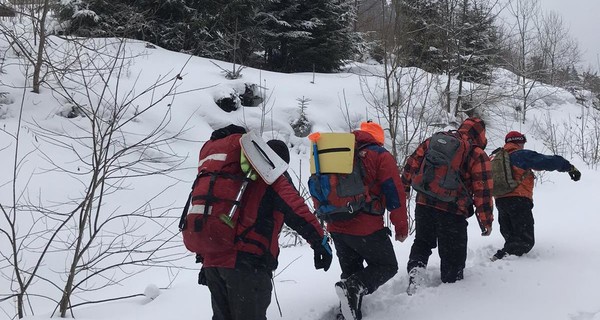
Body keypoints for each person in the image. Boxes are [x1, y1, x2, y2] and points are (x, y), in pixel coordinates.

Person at [201, 126, 332, 320]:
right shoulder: (272, 175)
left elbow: (208, 212)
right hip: (247, 265)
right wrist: (319, 242)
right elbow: (296, 209)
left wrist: (204, 259)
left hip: (214, 261)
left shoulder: (234, 177)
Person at [328, 121, 409, 320]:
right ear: (378, 139)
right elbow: (394, 193)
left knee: (351, 271)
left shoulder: (338, 153)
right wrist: (401, 225)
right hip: (365, 226)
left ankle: (346, 313)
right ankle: (354, 289)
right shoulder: (380, 155)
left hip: (336, 225)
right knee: (387, 265)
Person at [401, 118, 494, 290]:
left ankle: (416, 273)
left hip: (424, 203)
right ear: (480, 134)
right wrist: (486, 221)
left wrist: (405, 187)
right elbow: (483, 191)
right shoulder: (477, 154)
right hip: (452, 210)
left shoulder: (434, 141)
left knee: (422, 242)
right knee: (452, 255)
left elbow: (412, 163)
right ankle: (450, 293)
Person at [490, 131, 581, 261]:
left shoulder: (494, 158)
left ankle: (506, 259)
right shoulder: (519, 155)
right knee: (524, 241)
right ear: (519, 142)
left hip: (500, 201)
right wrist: (569, 167)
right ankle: (503, 261)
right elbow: (548, 161)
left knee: (511, 236)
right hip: (518, 200)